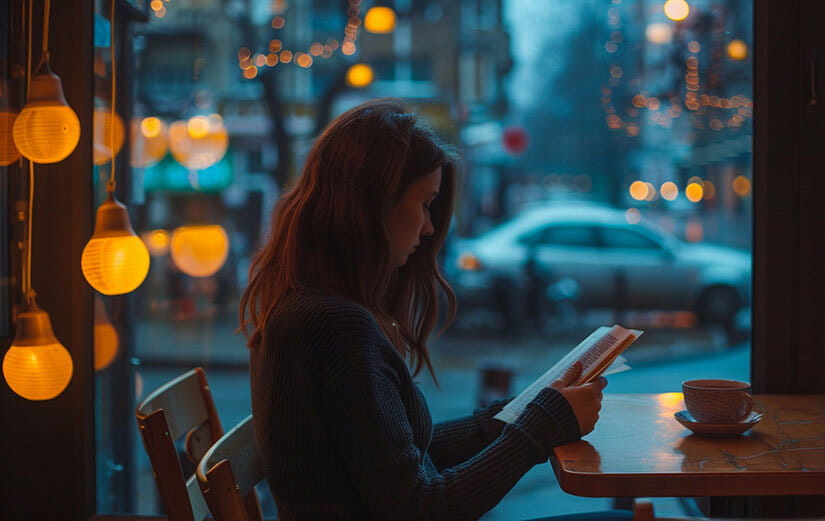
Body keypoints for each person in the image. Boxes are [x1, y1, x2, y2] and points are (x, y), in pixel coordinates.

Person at [239, 99, 629, 521]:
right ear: (374, 204)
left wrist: (516, 415)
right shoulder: (336, 327)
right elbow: (422, 508)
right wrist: (536, 429)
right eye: (425, 203)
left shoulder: (310, 307)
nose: (428, 228)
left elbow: (396, 457)